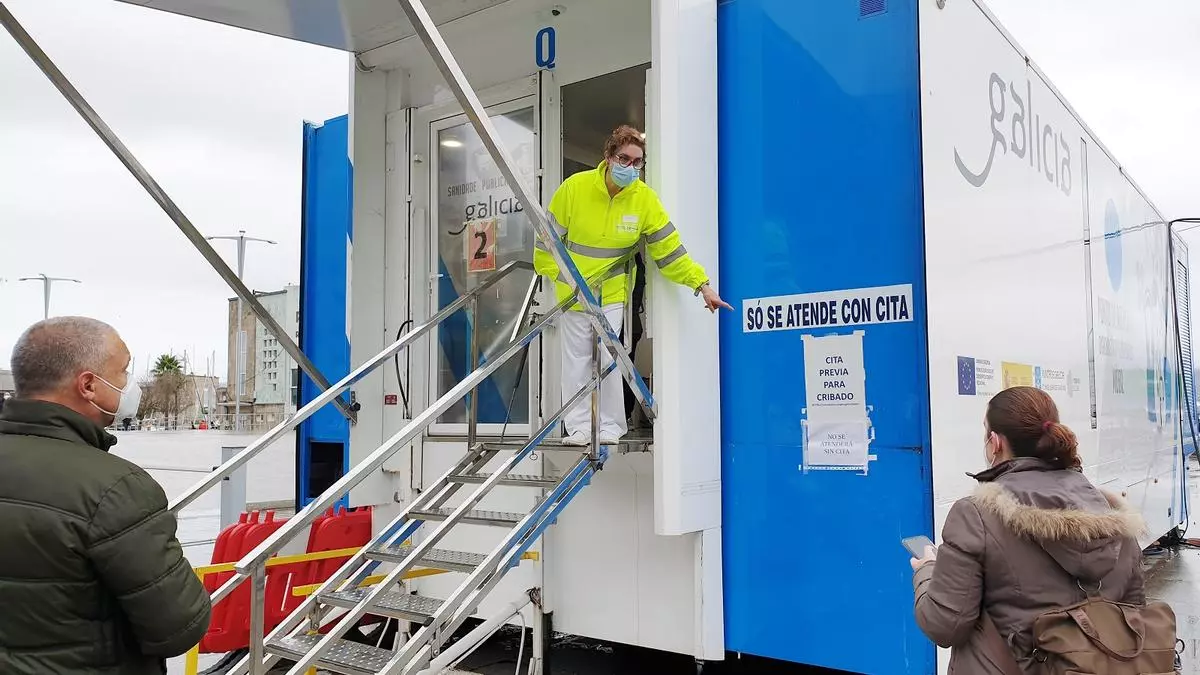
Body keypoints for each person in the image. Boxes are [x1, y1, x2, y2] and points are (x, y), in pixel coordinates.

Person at [0, 317, 211, 674]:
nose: (130, 385)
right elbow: (179, 626)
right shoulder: (117, 489)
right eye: (124, 372)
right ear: (88, 385)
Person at [910, 386, 1146, 673]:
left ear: (995, 443)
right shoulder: (1113, 513)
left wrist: (927, 571)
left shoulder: (975, 515)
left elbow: (944, 625)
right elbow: (1134, 612)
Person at [534, 125, 732, 445]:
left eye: (637, 161)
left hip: (612, 290)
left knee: (609, 355)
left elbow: (669, 251)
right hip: (573, 289)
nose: (630, 167)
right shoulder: (574, 188)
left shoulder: (644, 200)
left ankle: (611, 426)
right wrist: (556, 275)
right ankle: (580, 427)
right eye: (624, 159)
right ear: (608, 156)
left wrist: (702, 285)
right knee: (576, 361)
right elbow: (547, 240)